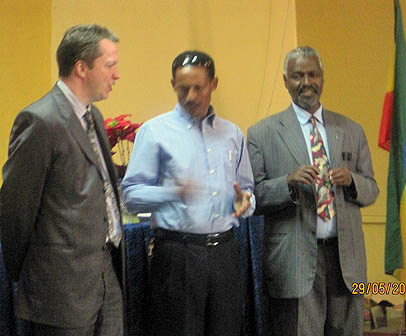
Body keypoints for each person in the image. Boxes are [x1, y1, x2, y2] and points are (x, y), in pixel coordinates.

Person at [0, 24, 124, 336]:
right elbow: (16, 211)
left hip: (104, 278)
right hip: (58, 291)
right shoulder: (40, 121)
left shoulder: (92, 116)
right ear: (82, 68)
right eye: (110, 66)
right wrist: (31, 277)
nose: (117, 74)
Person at [247, 46, 379, 336]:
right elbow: (251, 198)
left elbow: (372, 189)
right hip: (294, 261)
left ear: (322, 78)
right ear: (285, 81)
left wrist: (353, 181)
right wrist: (288, 183)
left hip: (347, 261)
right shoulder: (262, 133)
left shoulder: (351, 130)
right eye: (297, 76)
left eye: (313, 74)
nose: (306, 82)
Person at [122, 50, 255, 336]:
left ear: (214, 84)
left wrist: (246, 201)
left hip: (225, 253)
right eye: (183, 88)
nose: (191, 96)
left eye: (199, 87)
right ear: (173, 85)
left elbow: (247, 191)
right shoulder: (154, 132)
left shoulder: (233, 134)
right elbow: (131, 196)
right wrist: (172, 193)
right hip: (176, 254)